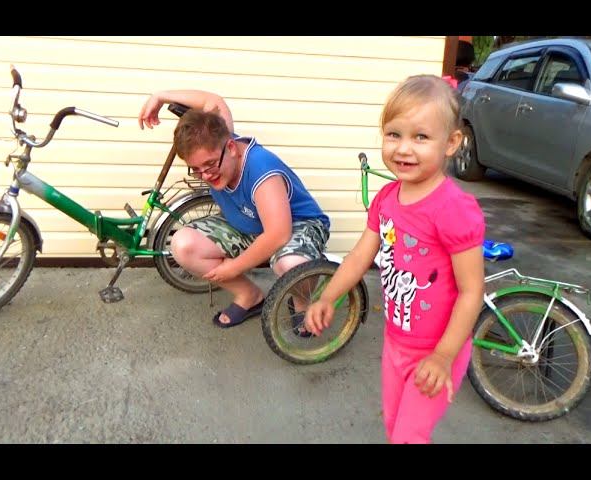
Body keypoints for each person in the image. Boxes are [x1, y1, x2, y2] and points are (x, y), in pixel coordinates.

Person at [304, 75, 485, 443]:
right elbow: (360, 255)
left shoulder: (454, 210)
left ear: (451, 143)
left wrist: (443, 356)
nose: (404, 148)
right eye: (394, 134)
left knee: (408, 436)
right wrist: (328, 296)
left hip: (438, 350)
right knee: (394, 427)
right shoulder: (387, 198)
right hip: (396, 343)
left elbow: (471, 291)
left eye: (421, 137)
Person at [138, 90, 330, 333]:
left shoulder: (261, 170)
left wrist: (235, 266)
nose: (206, 175)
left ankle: (302, 302)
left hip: (296, 224)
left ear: (230, 147)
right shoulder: (219, 138)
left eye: (209, 165)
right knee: (183, 245)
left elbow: (278, 234)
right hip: (249, 224)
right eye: (196, 169)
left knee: (291, 265)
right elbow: (213, 101)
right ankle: (250, 296)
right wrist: (160, 96)